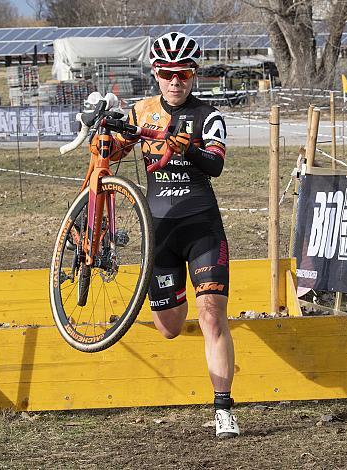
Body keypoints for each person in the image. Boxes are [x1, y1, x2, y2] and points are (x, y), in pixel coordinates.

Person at [92, 32, 239, 438]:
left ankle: (224, 408)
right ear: (157, 75)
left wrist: (185, 147)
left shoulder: (209, 116)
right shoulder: (140, 111)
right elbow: (115, 148)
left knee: (211, 314)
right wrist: (106, 135)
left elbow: (215, 166)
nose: (177, 81)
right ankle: (217, 346)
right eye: (169, 74)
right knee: (170, 328)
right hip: (160, 233)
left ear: (194, 76)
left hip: (201, 226)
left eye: (185, 74)